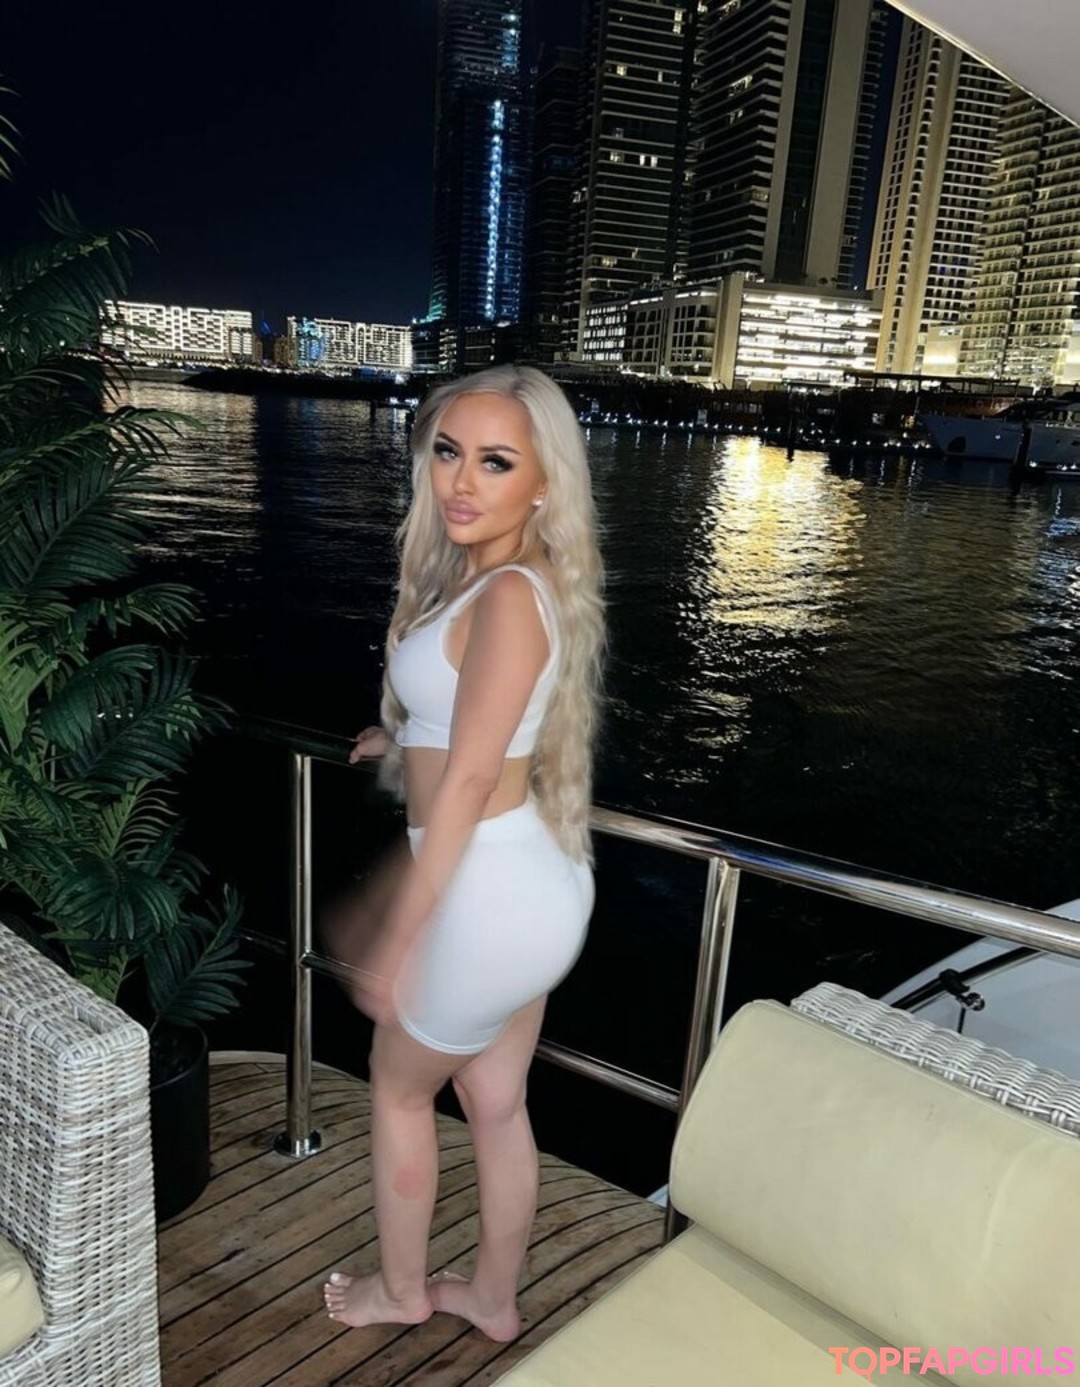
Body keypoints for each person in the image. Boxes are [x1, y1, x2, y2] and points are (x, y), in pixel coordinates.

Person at [323, 364, 604, 1341]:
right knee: (493, 1097)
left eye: (495, 461)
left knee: (399, 1087)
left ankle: (402, 1290)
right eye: (449, 451)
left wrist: (396, 932)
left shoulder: (509, 597)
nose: (461, 480)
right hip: (533, 887)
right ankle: (490, 1296)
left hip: (488, 898)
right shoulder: (512, 583)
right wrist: (404, 743)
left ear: (544, 484)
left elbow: (476, 779)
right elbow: (481, 729)